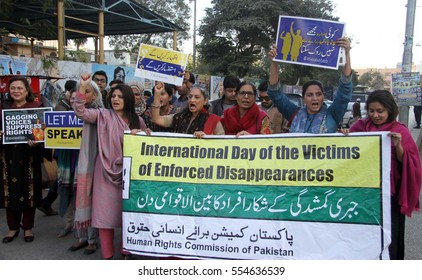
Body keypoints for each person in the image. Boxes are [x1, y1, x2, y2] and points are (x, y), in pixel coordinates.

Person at [73, 74, 148, 259]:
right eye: (113, 96)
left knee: (127, 214)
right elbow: (80, 111)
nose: (115, 99)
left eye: (120, 97)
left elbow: (146, 145)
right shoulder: (102, 115)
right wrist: (83, 87)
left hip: (128, 174)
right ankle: (107, 256)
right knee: (104, 215)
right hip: (104, 173)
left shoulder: (137, 121)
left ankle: (126, 251)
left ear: (128, 100)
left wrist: (143, 134)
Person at [345, 90, 421, 260]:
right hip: (365, 193)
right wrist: (345, 135)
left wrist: (398, 145)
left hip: (390, 196)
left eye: (380, 111)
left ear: (390, 110)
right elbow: (346, 150)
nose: (376, 115)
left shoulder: (399, 130)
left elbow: (409, 162)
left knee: (390, 237)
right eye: (371, 111)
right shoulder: (360, 127)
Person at [267, 38, 352, 133]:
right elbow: (275, 93)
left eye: (318, 94)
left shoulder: (332, 114)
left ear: (323, 96)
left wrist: (346, 53)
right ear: (303, 98)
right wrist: (274, 61)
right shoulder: (294, 113)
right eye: (309, 95)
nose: (315, 98)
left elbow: (344, 92)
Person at [0, 77, 45, 243]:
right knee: (9, 192)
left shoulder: (36, 109)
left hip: (29, 157)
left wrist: (37, 141)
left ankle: (28, 228)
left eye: (20, 88)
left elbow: (42, 134)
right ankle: (12, 228)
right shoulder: (4, 110)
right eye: (13, 88)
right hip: (8, 158)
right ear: (9, 91)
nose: (16, 91)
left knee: (29, 191)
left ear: (27, 91)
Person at [69, 79, 103, 255]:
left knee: (92, 199)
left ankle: (91, 240)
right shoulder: (86, 112)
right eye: (82, 91)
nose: (84, 94)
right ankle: (81, 237)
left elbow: (80, 111)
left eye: (87, 91)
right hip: (82, 163)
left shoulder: (98, 113)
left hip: (94, 163)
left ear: (95, 95)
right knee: (81, 198)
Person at [151, 82, 224, 136]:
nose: (192, 100)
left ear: (205, 101)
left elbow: (222, 145)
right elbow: (156, 119)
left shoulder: (214, 121)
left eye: (197, 97)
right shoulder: (179, 117)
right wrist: (157, 94)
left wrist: (207, 138)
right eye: (190, 97)